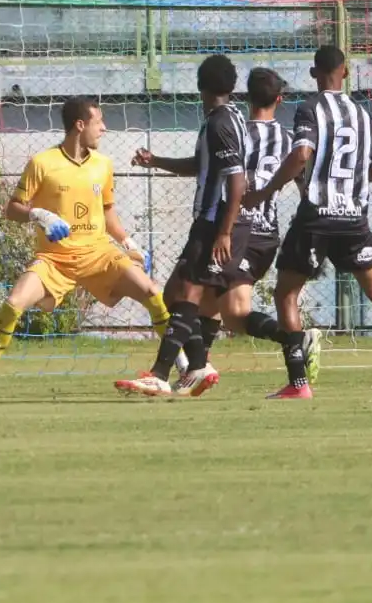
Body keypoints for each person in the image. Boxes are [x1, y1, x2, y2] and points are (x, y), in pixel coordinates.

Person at [243, 44, 372, 399]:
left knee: (286, 293)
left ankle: (298, 385)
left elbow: (301, 155)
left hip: (317, 217)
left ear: (314, 74)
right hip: (354, 218)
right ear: (346, 71)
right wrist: (353, 182)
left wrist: (265, 192)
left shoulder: (309, 109)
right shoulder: (362, 115)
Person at [0, 98, 168, 393]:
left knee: (153, 293)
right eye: (99, 122)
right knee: (14, 304)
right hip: (55, 260)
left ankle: (179, 368)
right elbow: (12, 209)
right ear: (80, 125)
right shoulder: (42, 163)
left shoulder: (103, 165)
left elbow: (107, 212)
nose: (104, 128)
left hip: (99, 254)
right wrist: (37, 214)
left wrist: (129, 242)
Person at [117, 55, 291, 397]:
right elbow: (203, 165)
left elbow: (237, 180)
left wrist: (225, 231)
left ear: (200, 86)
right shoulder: (228, 118)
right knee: (177, 295)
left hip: (219, 222)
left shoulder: (220, 123)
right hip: (213, 222)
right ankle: (196, 366)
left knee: (185, 294)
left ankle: (161, 373)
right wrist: (157, 162)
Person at [168, 67, 318, 394]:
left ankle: (295, 339)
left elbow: (215, 170)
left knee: (232, 312)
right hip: (268, 234)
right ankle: (197, 369)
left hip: (240, 230)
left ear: (246, 97)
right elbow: (306, 187)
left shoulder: (235, 128)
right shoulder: (290, 140)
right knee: (208, 301)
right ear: (280, 99)